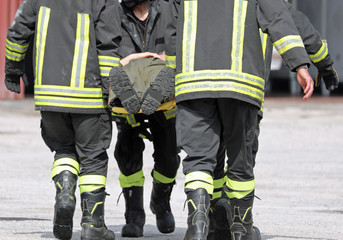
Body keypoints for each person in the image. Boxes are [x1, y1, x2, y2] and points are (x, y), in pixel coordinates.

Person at [166, 0, 315, 239]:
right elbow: (277, 16)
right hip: (240, 84)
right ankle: (241, 229)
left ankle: (197, 227)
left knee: (198, 160)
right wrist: (299, 64)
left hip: (192, 82)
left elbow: (170, 28)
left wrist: (173, 77)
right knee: (240, 158)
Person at [207, 1, 340, 239]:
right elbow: (299, 27)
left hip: (204, 87)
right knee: (242, 154)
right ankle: (239, 225)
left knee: (210, 153)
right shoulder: (268, 3)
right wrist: (326, 65)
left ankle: (216, 221)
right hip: (245, 86)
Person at [4, 0, 122, 239]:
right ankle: (93, 224)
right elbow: (108, 46)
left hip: (50, 97)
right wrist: (111, 91)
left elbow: (18, 31)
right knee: (93, 158)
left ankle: (65, 193)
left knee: (64, 150)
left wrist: (13, 69)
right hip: (89, 97)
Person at [107, 0, 180, 237]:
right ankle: (134, 215)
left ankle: (160, 201)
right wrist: (139, 59)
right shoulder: (114, 13)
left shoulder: (170, 9)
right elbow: (108, 51)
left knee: (169, 157)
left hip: (164, 97)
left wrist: (159, 61)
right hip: (128, 97)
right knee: (127, 154)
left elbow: (183, 45)